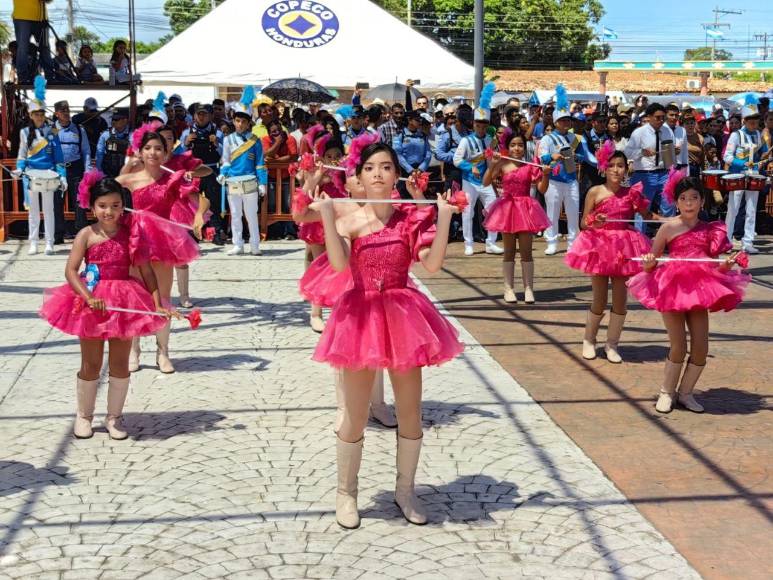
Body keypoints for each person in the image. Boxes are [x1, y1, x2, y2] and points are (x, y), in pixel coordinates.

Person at [309, 141, 464, 529]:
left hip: (403, 315)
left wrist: (443, 217)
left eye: (386, 167)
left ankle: (405, 490)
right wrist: (328, 216)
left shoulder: (410, 218)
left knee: (411, 413)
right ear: (359, 176)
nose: (378, 173)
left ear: (396, 175)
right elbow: (341, 265)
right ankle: (346, 493)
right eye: (371, 168)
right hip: (361, 314)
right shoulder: (351, 219)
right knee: (355, 415)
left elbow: (431, 266)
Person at [39, 176, 173, 439]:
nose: (108, 211)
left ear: (123, 206)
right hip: (92, 303)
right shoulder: (86, 235)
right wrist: (88, 296)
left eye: (115, 205)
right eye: (102, 205)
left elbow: (147, 272)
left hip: (125, 300)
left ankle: (114, 417)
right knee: (91, 363)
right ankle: (84, 416)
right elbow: (71, 270)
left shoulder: (132, 236)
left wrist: (157, 302)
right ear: (91, 207)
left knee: (120, 363)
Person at [628, 177, 749, 414]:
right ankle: (666, 392)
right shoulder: (668, 227)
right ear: (676, 202)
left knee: (701, 347)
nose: (689, 203)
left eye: (694, 197)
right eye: (683, 198)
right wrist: (649, 263)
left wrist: (726, 265)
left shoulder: (710, 230)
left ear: (702, 201)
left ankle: (685, 393)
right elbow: (650, 265)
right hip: (672, 287)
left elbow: (716, 268)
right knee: (678, 345)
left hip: (700, 289)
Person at [116, 130, 204, 374]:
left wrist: (198, 215)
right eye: (148, 148)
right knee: (136, 295)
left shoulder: (172, 178)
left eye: (158, 149)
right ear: (140, 151)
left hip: (164, 242)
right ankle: (134, 349)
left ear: (166, 153)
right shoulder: (132, 179)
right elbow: (106, 190)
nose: (153, 153)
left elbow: (199, 198)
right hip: (136, 240)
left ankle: (162, 350)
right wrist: (127, 168)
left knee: (163, 297)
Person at [566, 146, 656, 363]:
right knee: (599, 298)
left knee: (620, 299)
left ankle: (612, 344)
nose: (616, 170)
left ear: (626, 169)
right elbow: (583, 224)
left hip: (625, 249)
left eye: (621, 166)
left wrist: (675, 221)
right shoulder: (595, 192)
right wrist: (593, 223)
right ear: (604, 168)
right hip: (599, 247)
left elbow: (648, 215)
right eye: (612, 165)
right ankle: (589, 340)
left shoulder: (632, 193)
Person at [482, 134, 550, 303]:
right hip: (507, 209)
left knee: (526, 251)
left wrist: (546, 174)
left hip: (526, 209)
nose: (517, 149)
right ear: (508, 147)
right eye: (513, 145)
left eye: (520, 145)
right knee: (509, 251)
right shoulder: (503, 164)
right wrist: (492, 165)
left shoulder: (530, 165)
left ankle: (528, 289)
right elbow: (485, 182)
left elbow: (541, 189)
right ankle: (509, 289)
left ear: (524, 147)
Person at [292, 134, 348, 332]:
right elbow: (303, 197)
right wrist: (314, 177)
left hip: (339, 219)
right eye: (329, 155)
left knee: (339, 268)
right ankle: (315, 314)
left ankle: (338, 310)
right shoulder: (317, 173)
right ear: (322, 157)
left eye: (337, 155)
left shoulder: (345, 173)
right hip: (317, 220)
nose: (334, 159)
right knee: (320, 268)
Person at [539, 85, 597, 255]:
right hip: (554, 181)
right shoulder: (547, 138)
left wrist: (577, 157)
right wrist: (553, 156)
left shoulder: (575, 137)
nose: (566, 123)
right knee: (553, 212)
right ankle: (552, 242)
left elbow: (583, 155)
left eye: (568, 120)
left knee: (573, 212)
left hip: (571, 179)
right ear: (555, 122)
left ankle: (573, 242)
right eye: (563, 120)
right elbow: (542, 157)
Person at [15, 77, 66, 256]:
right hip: (31, 175)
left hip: (49, 174)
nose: (39, 116)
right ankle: (34, 242)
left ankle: (49, 242)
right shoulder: (24, 132)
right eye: (36, 113)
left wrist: (62, 175)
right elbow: (22, 155)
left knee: (49, 210)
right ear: (30, 115)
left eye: (41, 113)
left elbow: (59, 156)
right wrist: (19, 169)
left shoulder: (52, 131)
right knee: (33, 211)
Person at [454, 86, 503, 256]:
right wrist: (471, 166)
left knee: (493, 209)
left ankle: (491, 242)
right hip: (469, 181)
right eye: (478, 125)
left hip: (486, 180)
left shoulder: (490, 140)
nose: (481, 128)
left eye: (484, 125)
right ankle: (469, 244)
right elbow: (457, 160)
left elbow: (490, 159)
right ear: (474, 124)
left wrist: (495, 167)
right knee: (468, 212)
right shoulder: (466, 141)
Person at [219, 89, 268, 256]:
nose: (240, 124)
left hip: (250, 182)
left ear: (249, 123)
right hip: (233, 181)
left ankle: (255, 245)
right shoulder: (227, 140)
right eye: (237, 121)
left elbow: (260, 163)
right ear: (233, 121)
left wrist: (262, 183)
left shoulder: (255, 141)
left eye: (243, 122)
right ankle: (238, 244)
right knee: (235, 214)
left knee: (251, 215)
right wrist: (223, 173)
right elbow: (226, 160)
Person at [723, 99, 767, 254]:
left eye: (756, 122)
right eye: (752, 122)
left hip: (753, 175)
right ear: (745, 121)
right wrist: (741, 164)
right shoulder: (736, 135)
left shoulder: (758, 135)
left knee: (751, 209)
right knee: (733, 209)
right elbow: (727, 156)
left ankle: (747, 242)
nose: (755, 125)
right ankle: (727, 241)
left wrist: (762, 161)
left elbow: (763, 153)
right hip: (737, 175)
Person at [178, 104, 226, 245]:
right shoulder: (186, 133)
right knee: (192, 204)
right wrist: (186, 143)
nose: (201, 117)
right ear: (194, 116)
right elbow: (179, 155)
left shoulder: (217, 133)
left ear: (210, 116)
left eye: (204, 114)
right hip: (193, 173)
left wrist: (217, 143)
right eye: (199, 114)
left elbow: (224, 154)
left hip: (211, 171)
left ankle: (216, 232)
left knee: (213, 203)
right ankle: (192, 233)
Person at [625, 103, 676, 231]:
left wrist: (675, 151)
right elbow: (628, 152)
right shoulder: (639, 133)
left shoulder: (667, 130)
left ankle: (668, 238)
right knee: (642, 210)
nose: (661, 121)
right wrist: (641, 152)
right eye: (657, 117)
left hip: (664, 173)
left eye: (663, 117)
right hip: (644, 175)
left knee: (669, 206)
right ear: (649, 117)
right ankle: (640, 240)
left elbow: (670, 153)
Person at [53, 100, 91, 239]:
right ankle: (57, 234)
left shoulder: (79, 129)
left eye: (68, 110)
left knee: (79, 201)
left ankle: (81, 233)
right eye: (63, 111)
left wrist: (87, 170)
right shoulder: (52, 130)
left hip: (75, 168)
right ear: (57, 113)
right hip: (57, 170)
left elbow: (86, 151)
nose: (67, 113)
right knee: (57, 202)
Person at [12, 0, 55, 83]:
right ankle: (22, 78)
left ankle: (50, 76)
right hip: (22, 16)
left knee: (45, 48)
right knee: (23, 48)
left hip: (42, 18)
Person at [393, 110, 432, 197]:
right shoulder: (400, 135)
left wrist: (421, 168)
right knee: (404, 196)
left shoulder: (423, 135)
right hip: (405, 171)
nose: (420, 122)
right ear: (409, 120)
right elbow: (398, 154)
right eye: (417, 120)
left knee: (420, 196)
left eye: (420, 120)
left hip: (420, 171)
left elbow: (428, 154)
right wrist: (410, 169)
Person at [96, 108, 131, 178]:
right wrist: (99, 172)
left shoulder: (132, 135)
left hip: (125, 175)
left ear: (125, 120)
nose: (113, 122)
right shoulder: (105, 135)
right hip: (108, 173)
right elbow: (99, 154)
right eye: (112, 119)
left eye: (116, 119)